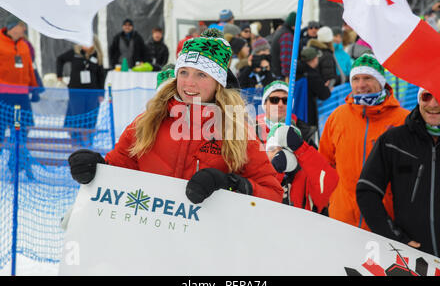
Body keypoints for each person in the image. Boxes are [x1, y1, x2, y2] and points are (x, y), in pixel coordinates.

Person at [68, 31, 284, 205]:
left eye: (201, 75)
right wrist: (94, 168)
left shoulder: (237, 130)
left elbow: (273, 192)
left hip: (208, 246)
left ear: (218, 83)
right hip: (150, 237)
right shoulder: (149, 120)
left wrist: (229, 183)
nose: (189, 83)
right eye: (184, 72)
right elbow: (121, 164)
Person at [319, 54, 410, 231]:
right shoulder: (338, 116)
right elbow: (325, 163)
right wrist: (331, 199)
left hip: (386, 222)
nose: (361, 85)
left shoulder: (404, 120)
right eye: (356, 79)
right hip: (343, 218)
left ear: (381, 81)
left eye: (367, 78)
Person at [356, 88, 440, 261]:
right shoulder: (394, 140)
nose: (433, 104)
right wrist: (394, 238)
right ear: (419, 98)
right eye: (427, 96)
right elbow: (367, 191)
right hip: (413, 258)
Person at [265, 123, 338, 214]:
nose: (278, 152)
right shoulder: (261, 175)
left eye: (285, 149)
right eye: (272, 148)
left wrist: (302, 149)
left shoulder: (307, 177)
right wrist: (276, 172)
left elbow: (329, 187)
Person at [0, 15, 38, 178]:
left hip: (22, 96)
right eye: (22, 26)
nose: (24, 29)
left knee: (23, 132)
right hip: (3, 96)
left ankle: (18, 164)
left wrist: (34, 88)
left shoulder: (24, 45)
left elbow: (29, 68)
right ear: (12, 27)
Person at [56, 36, 106, 146]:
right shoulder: (75, 53)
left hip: (92, 92)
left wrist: (101, 93)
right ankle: (76, 140)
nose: (87, 45)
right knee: (77, 115)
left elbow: (101, 76)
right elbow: (60, 59)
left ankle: (88, 140)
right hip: (76, 91)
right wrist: (59, 75)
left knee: (91, 116)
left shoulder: (97, 55)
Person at [255, 81, 317, 147]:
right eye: (274, 100)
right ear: (264, 104)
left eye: (286, 100)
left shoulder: (304, 131)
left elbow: (316, 156)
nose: (280, 104)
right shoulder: (251, 130)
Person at [296, 47, 332, 128]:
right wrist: (326, 87)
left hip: (295, 111)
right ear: (314, 59)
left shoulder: (295, 71)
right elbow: (324, 94)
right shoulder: (312, 75)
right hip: (308, 114)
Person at [271, 12, 296, 81]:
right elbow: (286, 58)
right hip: (282, 76)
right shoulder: (287, 35)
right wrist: (287, 76)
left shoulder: (281, 31)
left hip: (277, 73)